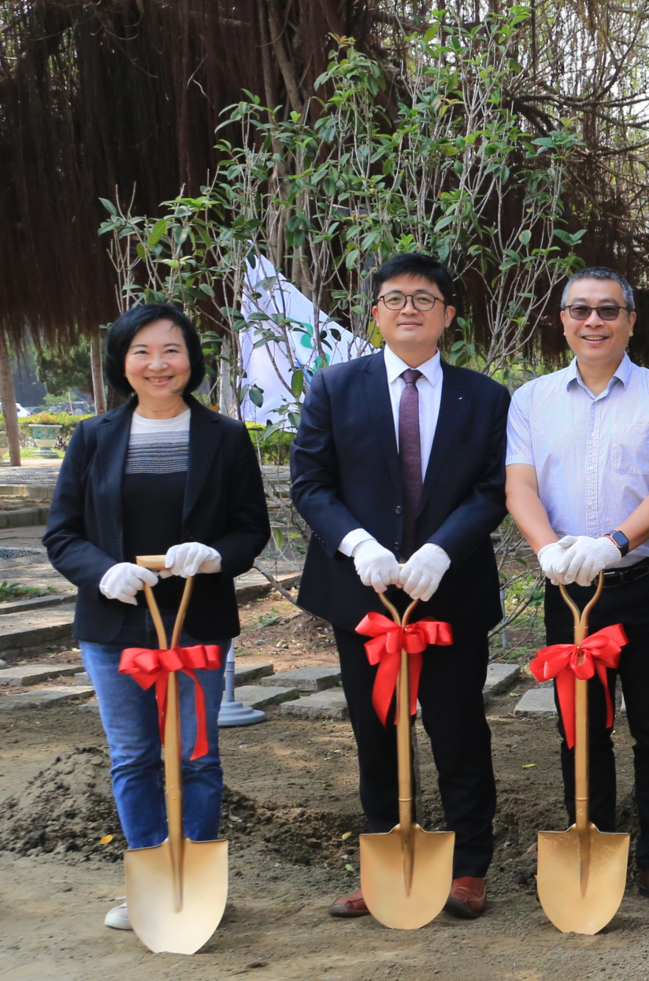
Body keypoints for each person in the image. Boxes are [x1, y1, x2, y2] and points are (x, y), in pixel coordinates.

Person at [290, 252, 511, 921]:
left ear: (448, 314)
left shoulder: (486, 396)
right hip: (362, 595)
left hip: (451, 589)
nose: (408, 307)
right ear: (375, 313)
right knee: (376, 727)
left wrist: (443, 550)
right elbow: (311, 483)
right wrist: (355, 543)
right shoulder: (335, 386)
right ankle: (384, 857)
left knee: (458, 729)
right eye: (394, 297)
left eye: (424, 297)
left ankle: (468, 868)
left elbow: (493, 488)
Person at [43, 303, 270, 933]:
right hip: (115, 625)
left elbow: (252, 526)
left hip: (197, 621)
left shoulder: (225, 437)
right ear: (123, 361)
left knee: (197, 755)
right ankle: (147, 880)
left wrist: (216, 554)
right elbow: (62, 534)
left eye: (171, 350)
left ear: (191, 359)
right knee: (134, 754)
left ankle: (198, 883)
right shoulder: (92, 437)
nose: (157, 363)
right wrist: (102, 571)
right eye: (142, 351)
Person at [505, 266, 649, 908]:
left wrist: (612, 542)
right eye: (580, 310)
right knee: (580, 727)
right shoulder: (531, 399)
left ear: (631, 321)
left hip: (648, 586)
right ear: (562, 320)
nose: (594, 322)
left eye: (608, 311)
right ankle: (594, 838)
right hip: (570, 591)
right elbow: (520, 486)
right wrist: (548, 549)